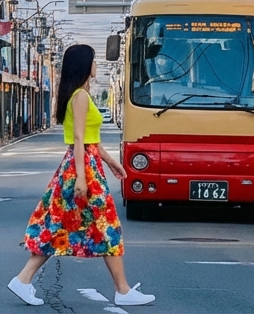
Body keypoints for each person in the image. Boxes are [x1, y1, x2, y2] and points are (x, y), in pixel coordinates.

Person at [8, 44, 155, 308]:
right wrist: (81, 178)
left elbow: (91, 140)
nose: (97, 66)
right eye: (94, 61)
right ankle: (122, 290)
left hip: (86, 164)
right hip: (82, 167)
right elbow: (78, 139)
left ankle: (23, 279)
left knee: (60, 227)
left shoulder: (80, 95)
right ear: (85, 65)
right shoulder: (80, 97)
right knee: (106, 227)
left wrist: (111, 163)